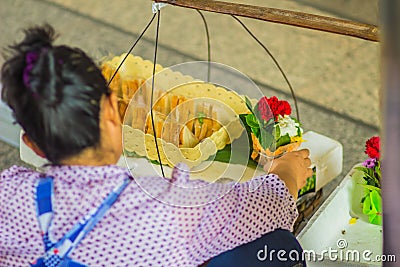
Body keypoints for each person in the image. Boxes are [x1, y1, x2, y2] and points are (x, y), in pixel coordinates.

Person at [0, 24, 312, 267]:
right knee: (278, 247)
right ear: (113, 111)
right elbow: (264, 204)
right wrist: (287, 171)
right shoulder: (168, 206)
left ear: (33, 145)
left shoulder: (8, 194)